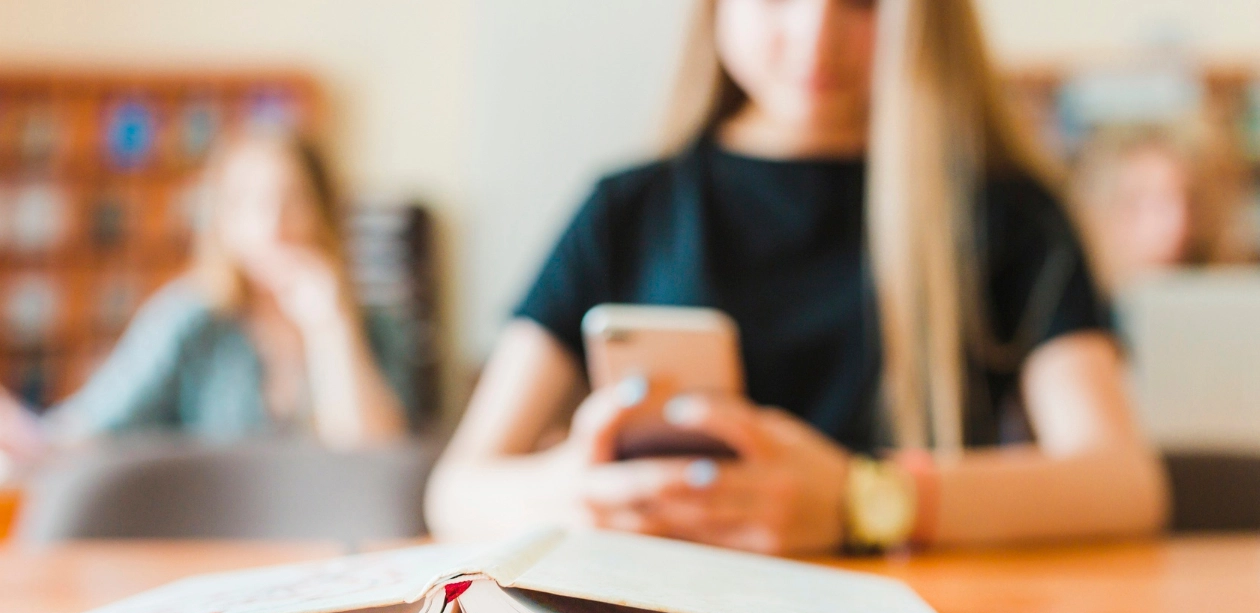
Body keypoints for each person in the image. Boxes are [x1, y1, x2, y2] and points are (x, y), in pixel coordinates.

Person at [425, 0, 1169, 555]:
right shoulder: (627, 207)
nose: (815, 33)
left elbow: (1123, 482)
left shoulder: (1008, 215)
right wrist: (571, 494)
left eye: (863, 3)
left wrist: (862, 498)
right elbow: (457, 491)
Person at [0, 131, 410, 456]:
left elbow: (371, 458)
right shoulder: (190, 317)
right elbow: (93, 425)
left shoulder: (374, 327)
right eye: (249, 203)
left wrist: (332, 327)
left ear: (324, 210)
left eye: (293, 199)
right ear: (223, 221)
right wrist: (30, 438)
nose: (272, 225)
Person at [1070, 124, 1252, 294]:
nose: (1175, 223)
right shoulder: (1071, 306)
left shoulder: (1231, 290)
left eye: (1189, 201)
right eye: (1147, 203)